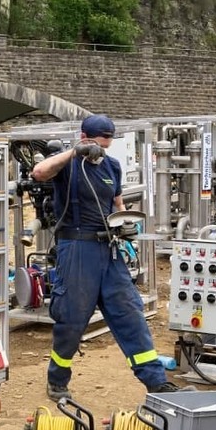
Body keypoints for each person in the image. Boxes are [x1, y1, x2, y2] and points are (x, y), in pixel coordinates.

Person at [31, 114, 188, 401]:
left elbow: (117, 202)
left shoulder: (111, 166)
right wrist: (73, 152)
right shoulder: (68, 166)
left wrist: (126, 223)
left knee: (130, 314)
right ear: (83, 138)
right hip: (77, 250)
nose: (99, 151)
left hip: (109, 249)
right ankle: (57, 381)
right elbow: (39, 173)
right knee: (71, 320)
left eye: (105, 145)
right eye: (95, 144)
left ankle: (155, 381)